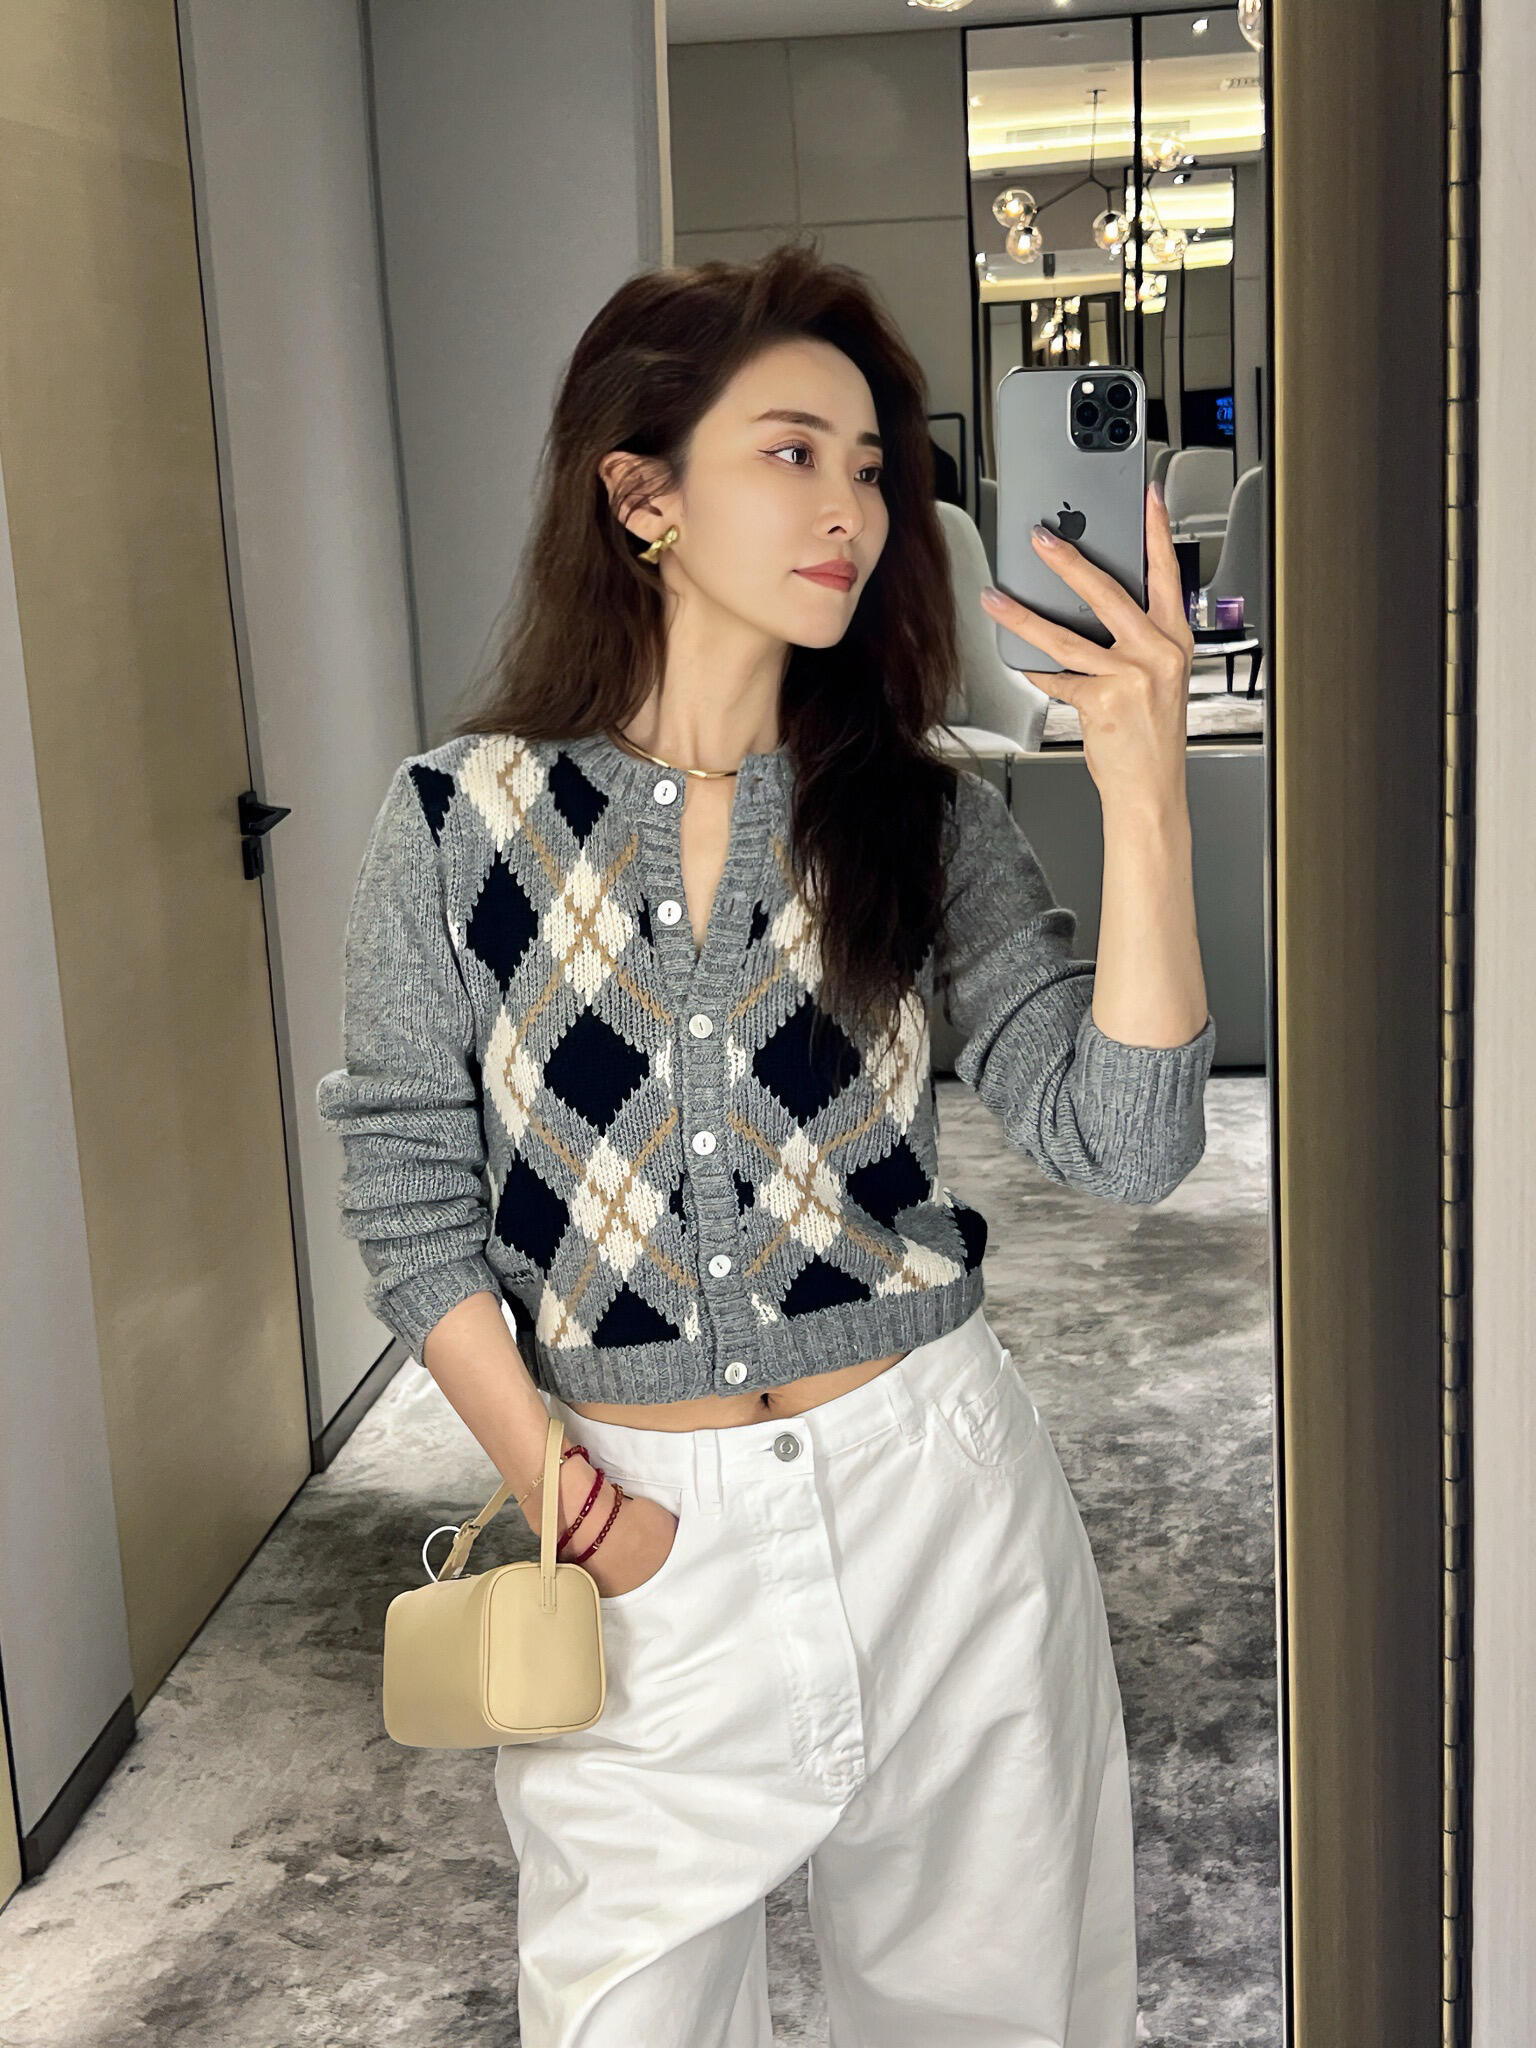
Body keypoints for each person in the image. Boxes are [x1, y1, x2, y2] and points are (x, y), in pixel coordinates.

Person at [317, 238, 1215, 2048]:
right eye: (792, 453)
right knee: (622, 2014)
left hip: (940, 1504)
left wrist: (1145, 794)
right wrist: (577, 1509)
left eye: (872, 466)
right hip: (640, 1531)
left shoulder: (919, 812)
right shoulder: (459, 822)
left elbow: (1123, 1146)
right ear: (640, 495)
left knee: (996, 2018)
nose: (853, 511)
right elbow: (408, 1190)